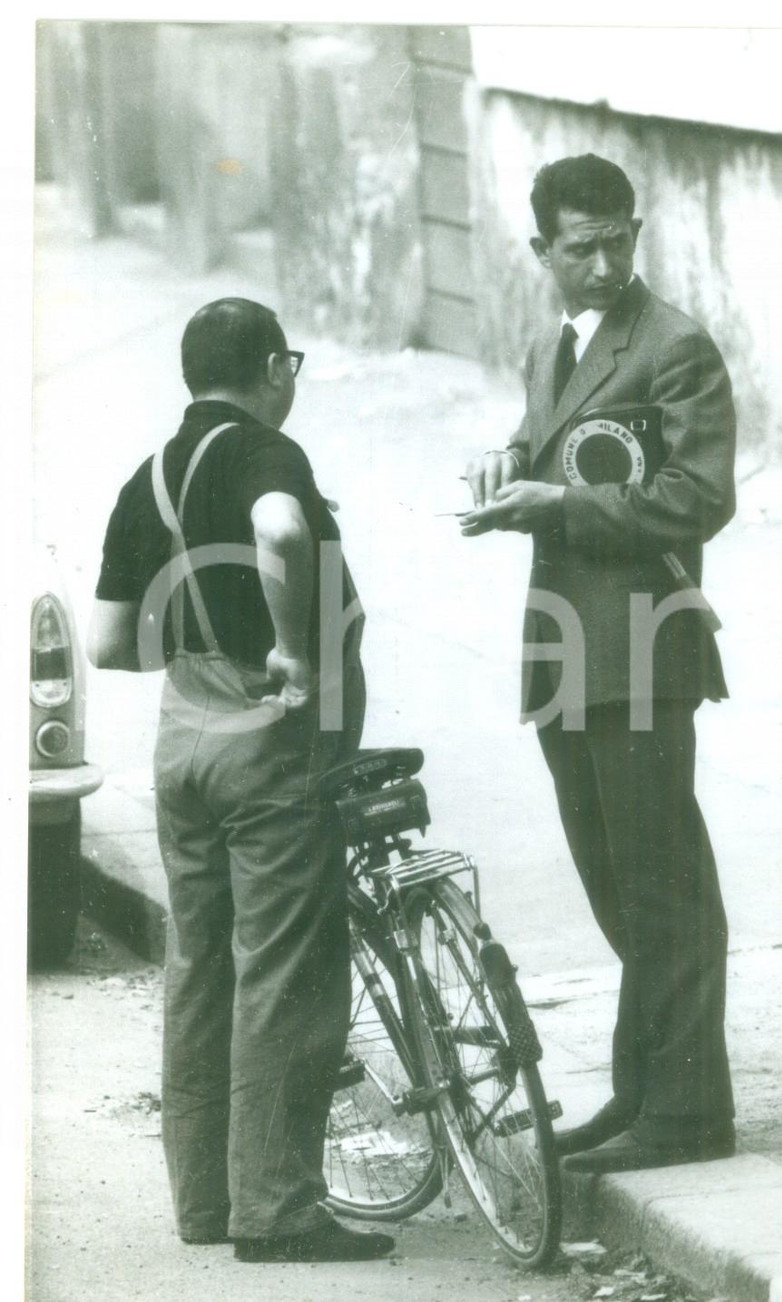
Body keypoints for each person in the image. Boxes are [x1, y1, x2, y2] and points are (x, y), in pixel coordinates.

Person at [87, 297, 391, 1262]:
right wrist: (291, 652)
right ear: (272, 366)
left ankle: (208, 1203)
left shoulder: (151, 477)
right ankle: (278, 1209)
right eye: (288, 363)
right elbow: (284, 533)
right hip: (268, 738)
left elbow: (107, 642)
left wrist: (198, 643)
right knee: (283, 972)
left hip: (183, 740)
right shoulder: (265, 452)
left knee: (201, 963)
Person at [462, 155, 737, 1174]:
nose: (608, 261)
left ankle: (689, 1112)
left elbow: (698, 496)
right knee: (614, 877)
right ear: (543, 251)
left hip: (643, 648)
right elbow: (547, 443)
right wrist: (507, 463)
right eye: (583, 245)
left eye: (621, 236)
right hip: (568, 647)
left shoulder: (675, 347)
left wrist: (559, 505)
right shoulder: (552, 347)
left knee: (661, 880)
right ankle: (645, 1089)